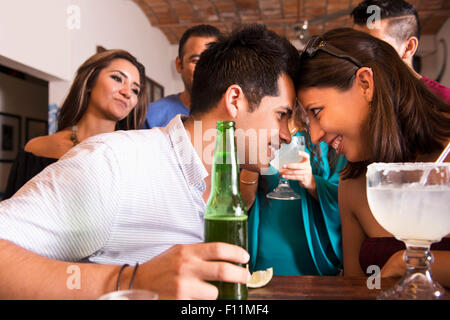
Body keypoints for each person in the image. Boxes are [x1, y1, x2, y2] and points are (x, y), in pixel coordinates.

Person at [0, 24, 300, 299]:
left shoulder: (225, 182)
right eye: (282, 115)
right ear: (235, 100)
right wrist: (130, 281)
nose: (287, 135)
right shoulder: (114, 164)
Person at [295, 28, 450, 287]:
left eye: (317, 111)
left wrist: (404, 262)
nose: (314, 135)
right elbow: (354, 286)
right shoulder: (353, 180)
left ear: (365, 83)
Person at [3, 49, 148, 200]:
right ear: (90, 82)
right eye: (117, 78)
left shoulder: (133, 158)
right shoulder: (34, 150)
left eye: (135, 89)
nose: (127, 92)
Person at [242, 108, 347, 276]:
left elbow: (346, 199)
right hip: (264, 250)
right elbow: (242, 203)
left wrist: (312, 183)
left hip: (313, 254)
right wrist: (252, 160)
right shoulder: (255, 128)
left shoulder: (322, 131)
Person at [351, 0, 450, 103]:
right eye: (358, 44)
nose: (360, 53)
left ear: (409, 47)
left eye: (374, 45)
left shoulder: (444, 101)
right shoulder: (358, 98)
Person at [142, 24, 221, 129]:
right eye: (196, 61)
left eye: (212, 61)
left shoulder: (235, 115)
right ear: (179, 65)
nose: (204, 68)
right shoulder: (152, 115)